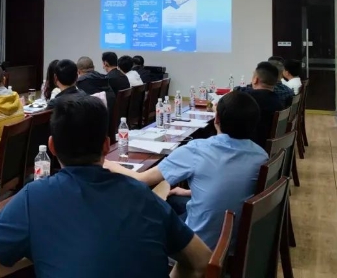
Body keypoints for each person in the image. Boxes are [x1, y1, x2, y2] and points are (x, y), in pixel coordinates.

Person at [0, 93, 211, 277]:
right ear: (106, 145)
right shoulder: (143, 195)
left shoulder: (35, 197)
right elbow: (202, 261)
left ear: (52, 147)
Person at [105, 91, 268, 249]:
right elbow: (234, 187)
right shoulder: (261, 156)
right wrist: (189, 192)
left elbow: (142, 180)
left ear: (216, 118)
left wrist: (109, 164)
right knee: (174, 199)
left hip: (198, 246)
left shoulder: (197, 149)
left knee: (148, 211)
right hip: (236, 240)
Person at [240, 61, 284, 148]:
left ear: (255, 79)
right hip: (269, 146)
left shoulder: (248, 98)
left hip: (252, 147)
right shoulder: (277, 100)